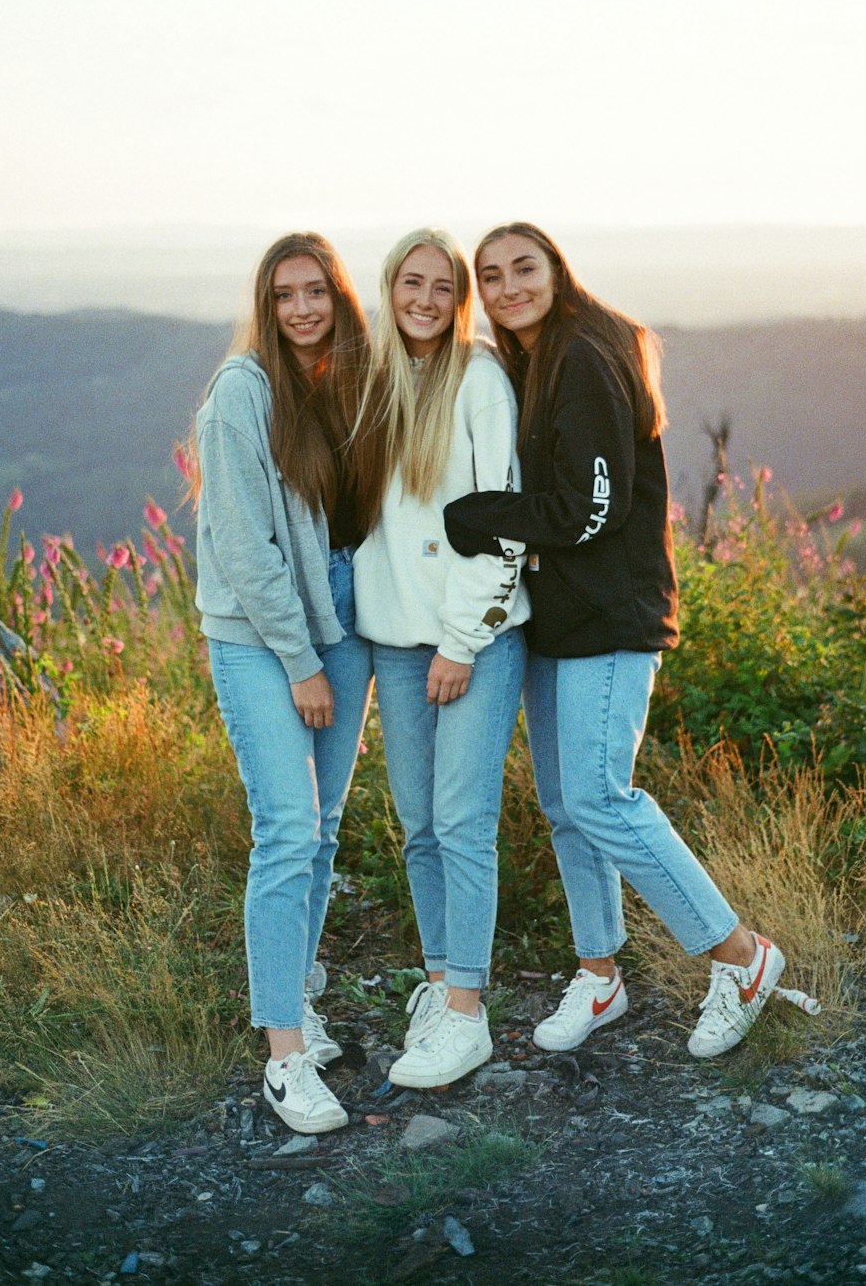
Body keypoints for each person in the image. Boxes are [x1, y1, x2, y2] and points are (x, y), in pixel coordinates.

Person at [443, 222, 785, 1059]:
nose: (508, 286)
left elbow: (588, 511)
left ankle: (742, 957)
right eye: (491, 276)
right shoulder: (538, 359)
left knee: (600, 798)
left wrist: (475, 517)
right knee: (568, 809)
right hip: (561, 620)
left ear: (557, 271)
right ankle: (602, 975)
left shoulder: (587, 358)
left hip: (611, 616)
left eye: (524, 268)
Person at [193, 232, 373, 1133]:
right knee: (287, 829)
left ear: (339, 299)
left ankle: (299, 1005)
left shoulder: (343, 383)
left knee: (324, 829)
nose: (303, 309)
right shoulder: (242, 392)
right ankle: (284, 1059)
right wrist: (301, 661)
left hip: (340, 618)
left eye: (318, 292)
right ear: (265, 306)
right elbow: (243, 547)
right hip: (263, 635)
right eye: (286, 295)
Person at [352, 228, 530, 1087]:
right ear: (388, 289)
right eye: (409, 283)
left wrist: (463, 644)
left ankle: (469, 1012)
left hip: (476, 640)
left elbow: (503, 521)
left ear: (459, 298)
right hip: (393, 640)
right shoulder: (375, 381)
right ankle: (437, 981)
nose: (424, 299)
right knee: (420, 824)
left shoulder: (480, 382)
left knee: (462, 823)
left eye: (441, 286)